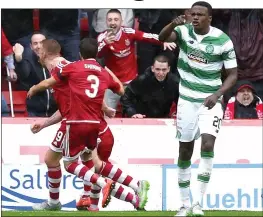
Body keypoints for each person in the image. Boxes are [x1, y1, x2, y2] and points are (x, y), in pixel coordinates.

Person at [27, 38, 150, 210]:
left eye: (39, 49)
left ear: (44, 53)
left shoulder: (66, 68)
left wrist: (34, 88)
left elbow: (83, 85)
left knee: (70, 164)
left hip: (78, 122)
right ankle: (134, 194)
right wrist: (44, 124)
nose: (37, 52)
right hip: (86, 121)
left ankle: (56, 203)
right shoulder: (71, 69)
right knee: (94, 166)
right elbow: (81, 94)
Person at [159, 1, 238, 216]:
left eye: (200, 15)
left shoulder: (222, 40)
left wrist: (217, 95)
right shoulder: (183, 31)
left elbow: (233, 74)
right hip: (186, 99)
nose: (195, 17)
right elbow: (162, 38)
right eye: (192, 14)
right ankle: (185, 204)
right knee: (184, 149)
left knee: (208, 144)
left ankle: (198, 204)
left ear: (209, 18)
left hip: (210, 100)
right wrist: (171, 24)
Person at [97, 9, 177, 110]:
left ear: (121, 21)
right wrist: (105, 43)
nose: (113, 22)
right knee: (108, 113)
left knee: (135, 113)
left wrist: (163, 41)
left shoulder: (129, 32)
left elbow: (147, 37)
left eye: (116, 20)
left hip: (131, 83)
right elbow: (98, 54)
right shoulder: (102, 37)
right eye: (110, 20)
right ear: (106, 22)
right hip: (113, 83)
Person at [13, 32, 57, 117]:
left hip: (54, 112)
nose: (39, 46)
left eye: (42, 42)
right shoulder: (27, 60)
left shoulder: (56, 60)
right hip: (34, 112)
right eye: (35, 43)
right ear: (31, 46)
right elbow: (23, 74)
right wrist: (19, 59)